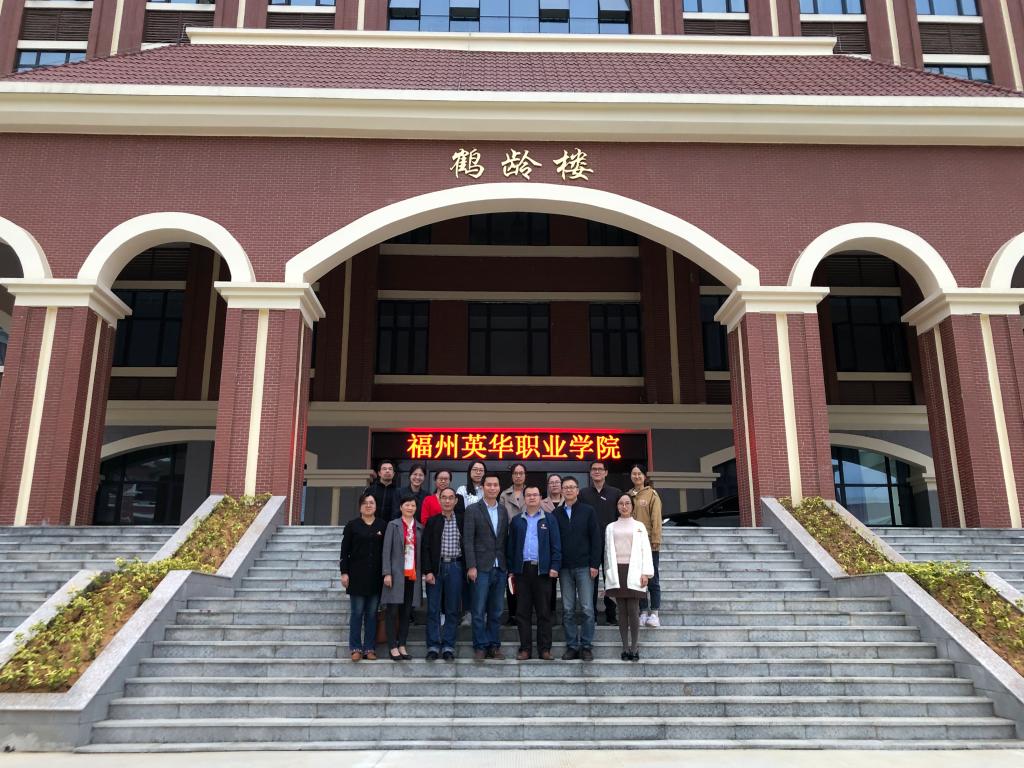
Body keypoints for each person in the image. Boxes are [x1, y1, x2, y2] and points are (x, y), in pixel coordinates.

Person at [506, 486, 561, 660]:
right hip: (522, 571)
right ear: (524, 498)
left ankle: (545, 649)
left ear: (540, 497)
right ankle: (525, 649)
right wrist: (511, 570)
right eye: (528, 495)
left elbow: (556, 545)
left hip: (543, 571)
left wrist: (555, 566)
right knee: (522, 612)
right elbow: (511, 547)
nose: (531, 498)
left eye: (535, 495)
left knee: (544, 612)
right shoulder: (517, 521)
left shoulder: (549, 519)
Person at [552, 476, 601, 660]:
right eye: (565, 487)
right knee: (568, 609)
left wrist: (594, 564)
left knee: (587, 608)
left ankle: (586, 646)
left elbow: (596, 539)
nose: (569, 490)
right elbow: (554, 541)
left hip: (585, 567)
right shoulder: (556, 513)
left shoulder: (588, 511)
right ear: (561, 491)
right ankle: (572, 646)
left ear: (578, 490)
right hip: (564, 568)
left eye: (572, 487)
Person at [603, 493, 654, 661]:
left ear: (632, 506)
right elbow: (607, 553)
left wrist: (646, 573)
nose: (624, 506)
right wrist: (608, 573)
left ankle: (634, 647)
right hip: (617, 570)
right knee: (622, 611)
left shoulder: (639, 526)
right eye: (621, 503)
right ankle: (625, 647)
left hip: (635, 570)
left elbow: (646, 550)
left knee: (633, 610)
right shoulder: (610, 527)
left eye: (627, 503)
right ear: (617, 506)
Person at [464, 472, 509, 661]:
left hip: (500, 567)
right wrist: (471, 566)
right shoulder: (473, 510)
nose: (492, 488)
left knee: (496, 610)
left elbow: (504, 539)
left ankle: (494, 646)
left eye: (495, 485)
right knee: (478, 610)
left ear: (499, 488)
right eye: (488, 485)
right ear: (482, 488)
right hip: (480, 567)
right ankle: (480, 646)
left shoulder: (503, 510)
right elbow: (468, 540)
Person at [338, 491, 386, 661]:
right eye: (365, 503)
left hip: (376, 576)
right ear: (360, 507)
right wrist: (344, 572)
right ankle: (356, 648)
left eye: (371, 502)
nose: (368, 505)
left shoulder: (382, 525)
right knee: (357, 613)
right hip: (356, 576)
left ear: (376, 506)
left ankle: (370, 648)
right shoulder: (352, 525)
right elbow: (344, 551)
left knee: (372, 614)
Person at [422, 487, 464, 661]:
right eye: (444, 498)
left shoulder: (462, 520)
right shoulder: (432, 522)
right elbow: (425, 548)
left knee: (452, 609)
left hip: (456, 567)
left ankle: (448, 645)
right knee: (433, 609)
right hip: (436, 568)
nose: (447, 501)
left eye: (450, 498)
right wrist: (428, 571)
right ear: (439, 501)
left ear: (455, 501)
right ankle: (433, 645)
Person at [381, 490, 423, 660]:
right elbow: (386, 551)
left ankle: (402, 644)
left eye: (413, 505)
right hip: (395, 574)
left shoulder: (419, 527)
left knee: (406, 612)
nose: (410, 508)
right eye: (407, 505)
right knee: (392, 611)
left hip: (412, 575)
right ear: (401, 507)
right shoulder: (393, 525)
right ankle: (392, 646)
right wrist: (387, 573)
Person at [579, 460, 622, 625]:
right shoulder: (583, 494)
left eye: (600, 469)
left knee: (610, 578)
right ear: (590, 473)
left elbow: (620, 515)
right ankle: (592, 616)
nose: (597, 472)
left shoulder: (615, 493)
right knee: (591, 580)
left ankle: (611, 615)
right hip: (589, 543)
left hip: (610, 542)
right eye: (594, 469)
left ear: (606, 472)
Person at [628, 464, 663, 628]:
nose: (636, 476)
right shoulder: (628, 495)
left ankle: (654, 613)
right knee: (637, 579)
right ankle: (643, 611)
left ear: (644, 476)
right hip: (633, 544)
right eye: (634, 474)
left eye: (639, 474)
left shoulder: (652, 495)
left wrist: (656, 538)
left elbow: (656, 518)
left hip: (649, 543)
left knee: (652, 578)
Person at [500, 463, 528, 625]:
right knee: (511, 577)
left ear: (525, 475)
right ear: (512, 476)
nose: (518, 476)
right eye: (515, 473)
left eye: (521, 473)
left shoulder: (530, 492)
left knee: (526, 579)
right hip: (510, 539)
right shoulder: (504, 494)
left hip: (528, 539)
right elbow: (502, 517)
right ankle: (512, 614)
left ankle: (524, 613)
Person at [366, 459, 400, 523]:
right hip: (372, 525)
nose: (387, 471)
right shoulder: (370, 490)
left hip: (392, 526)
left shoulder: (398, 492)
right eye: (384, 469)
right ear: (379, 473)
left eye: (390, 469)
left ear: (393, 474)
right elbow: (364, 508)